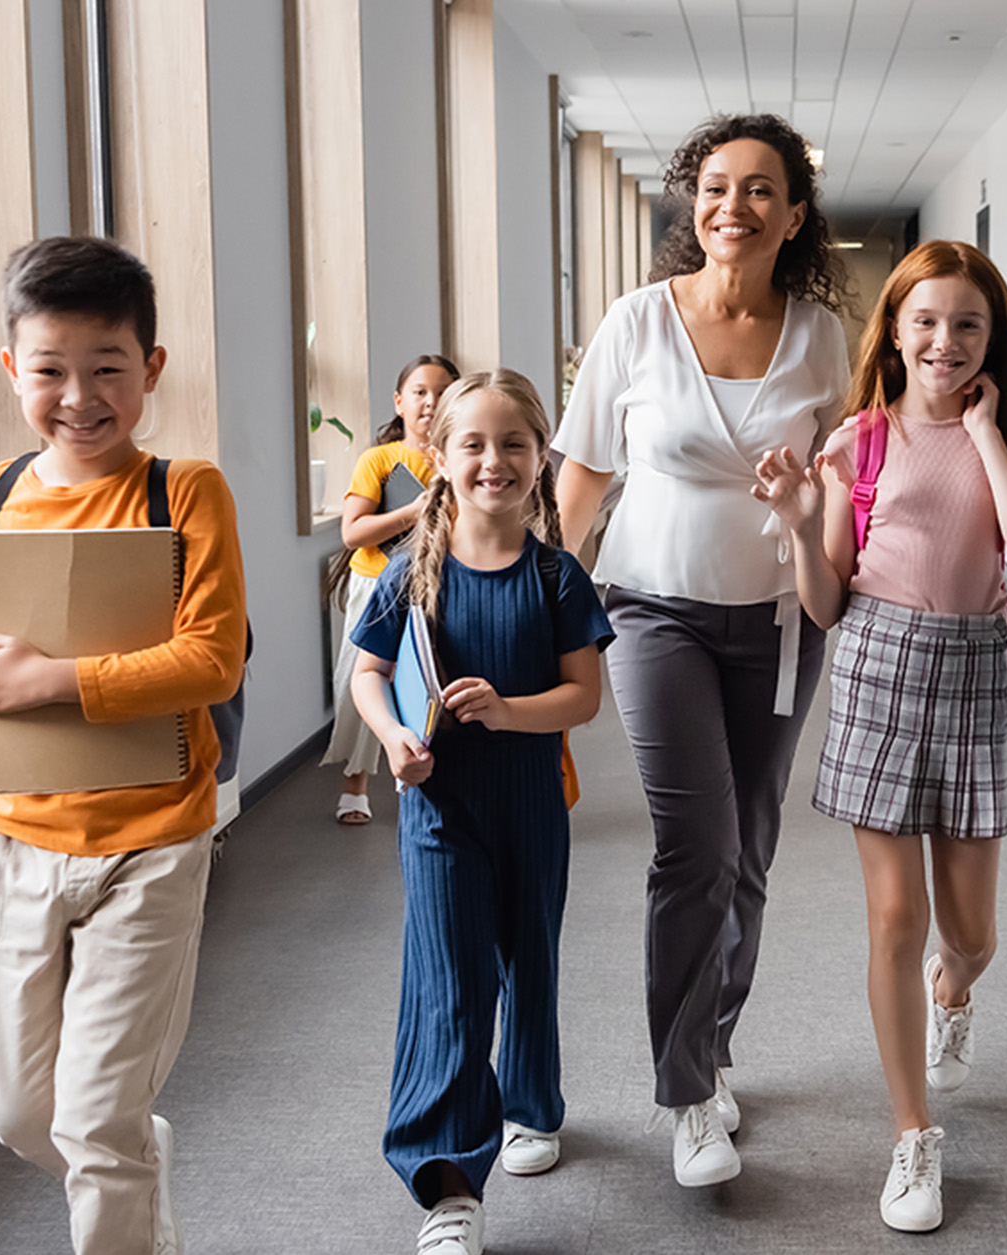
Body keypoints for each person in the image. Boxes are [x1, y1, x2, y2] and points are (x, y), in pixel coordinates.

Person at [552, 113, 851, 1188]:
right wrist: (547, 611)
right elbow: (580, 484)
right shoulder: (636, 322)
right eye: (717, 185)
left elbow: (848, 486)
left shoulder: (822, 338)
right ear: (693, 202)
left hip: (777, 621)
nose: (736, 204)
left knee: (751, 848)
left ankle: (713, 1046)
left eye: (761, 188)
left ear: (795, 215)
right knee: (697, 844)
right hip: (651, 611)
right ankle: (682, 1094)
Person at [0, 236, 246, 1255]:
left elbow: (212, 660)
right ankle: (126, 1152)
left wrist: (53, 682)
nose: (80, 396)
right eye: (51, 371)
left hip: (150, 841)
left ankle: (117, 1154)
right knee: (19, 1110)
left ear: (150, 368)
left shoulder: (186, 490)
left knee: (95, 1120)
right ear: (11, 370)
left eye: (108, 368)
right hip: (11, 835)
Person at [752, 240, 1007, 1233]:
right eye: (924, 320)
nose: (944, 340)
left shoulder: (999, 435)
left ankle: (953, 994)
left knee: (972, 934)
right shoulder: (857, 441)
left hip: (972, 673)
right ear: (892, 327)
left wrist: (983, 433)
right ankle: (912, 1134)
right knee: (895, 917)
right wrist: (804, 525)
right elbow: (828, 603)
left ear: (993, 340)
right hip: (879, 667)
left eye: (967, 323)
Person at [347, 369, 614, 1255]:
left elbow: (583, 698)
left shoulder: (557, 575)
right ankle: (449, 1181)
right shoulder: (407, 573)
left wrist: (506, 709)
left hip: (532, 801)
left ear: (541, 459)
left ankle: (533, 1104)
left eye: (513, 444)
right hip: (439, 809)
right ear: (438, 458)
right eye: (473, 444)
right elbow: (369, 673)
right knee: (451, 985)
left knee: (527, 963)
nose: (493, 460)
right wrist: (389, 737)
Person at [324, 353, 459, 824]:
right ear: (400, 402)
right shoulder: (378, 461)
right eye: (420, 392)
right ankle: (355, 782)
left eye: (442, 393)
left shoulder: (460, 459)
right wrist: (413, 512)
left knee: (430, 679)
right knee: (360, 683)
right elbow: (353, 533)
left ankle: (421, 772)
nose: (430, 401)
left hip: (438, 587)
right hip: (375, 587)